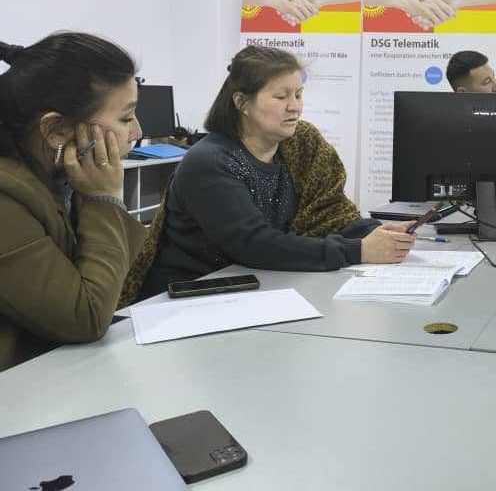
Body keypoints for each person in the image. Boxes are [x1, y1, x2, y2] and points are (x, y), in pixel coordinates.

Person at [129, 46, 414, 301]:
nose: (295, 106)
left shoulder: (300, 145)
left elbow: (328, 213)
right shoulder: (209, 162)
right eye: (281, 96)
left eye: (298, 94)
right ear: (241, 102)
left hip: (258, 287)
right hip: (191, 298)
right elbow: (255, 244)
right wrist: (359, 250)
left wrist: (374, 232)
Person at [0, 33, 145, 371]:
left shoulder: (60, 176)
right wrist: (102, 199)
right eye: (126, 118)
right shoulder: (7, 197)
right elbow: (87, 317)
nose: (137, 132)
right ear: (56, 129)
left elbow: (125, 281)